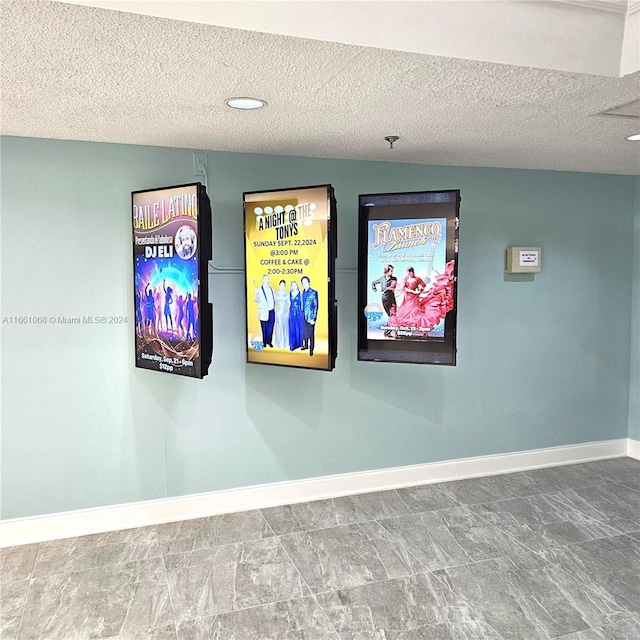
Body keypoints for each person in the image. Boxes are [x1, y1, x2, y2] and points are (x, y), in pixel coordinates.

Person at [254, 274, 275, 347]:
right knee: (264, 328)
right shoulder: (259, 290)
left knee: (271, 327)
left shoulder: (271, 289)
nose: (267, 281)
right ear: (263, 280)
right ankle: (264, 342)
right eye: (265, 279)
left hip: (271, 311)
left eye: (268, 279)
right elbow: (256, 300)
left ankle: (269, 341)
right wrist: (256, 293)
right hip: (263, 312)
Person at [301, 275, 318, 356]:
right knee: (304, 332)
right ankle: (306, 345)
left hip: (310, 317)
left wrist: (313, 318)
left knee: (311, 334)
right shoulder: (303, 292)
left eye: (305, 282)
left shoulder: (313, 292)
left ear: (309, 282)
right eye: (302, 282)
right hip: (303, 316)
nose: (304, 283)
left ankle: (311, 349)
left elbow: (315, 306)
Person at [274, 279, 290, 349]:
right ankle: (279, 343)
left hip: (285, 312)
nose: (282, 287)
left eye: (283, 286)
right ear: (279, 285)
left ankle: (285, 344)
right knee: (280, 326)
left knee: (285, 326)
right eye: (281, 285)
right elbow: (274, 303)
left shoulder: (287, 294)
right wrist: (275, 311)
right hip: (279, 313)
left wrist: (288, 311)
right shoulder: (276, 294)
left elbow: (289, 303)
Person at [288, 280, 303, 351]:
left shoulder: (300, 293)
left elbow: (302, 303)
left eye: (295, 285)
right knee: (292, 328)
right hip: (291, 312)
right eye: (292, 285)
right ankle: (293, 345)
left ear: (297, 285)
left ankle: (299, 344)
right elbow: (288, 302)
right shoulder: (289, 293)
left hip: (298, 312)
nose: (294, 286)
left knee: (298, 327)